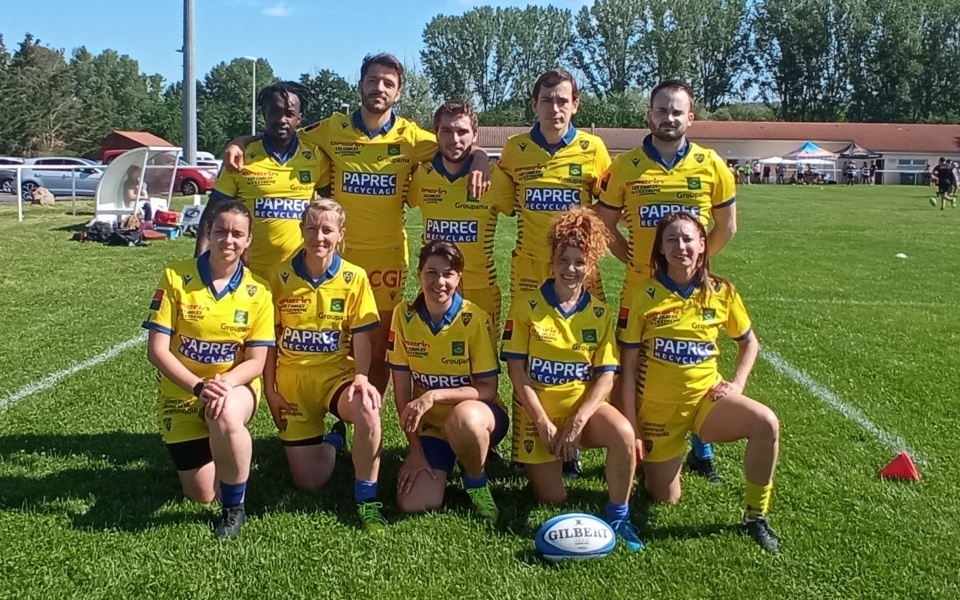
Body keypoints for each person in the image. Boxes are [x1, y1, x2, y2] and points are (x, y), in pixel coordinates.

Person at [223, 54, 490, 399]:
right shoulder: (332, 129)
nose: (379, 88)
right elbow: (282, 132)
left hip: (386, 260)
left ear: (398, 92)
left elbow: (460, 144)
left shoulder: (413, 138)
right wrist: (239, 142)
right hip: (338, 258)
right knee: (331, 342)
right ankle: (328, 415)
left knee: (377, 346)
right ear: (360, 85)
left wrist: (482, 157)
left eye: (388, 83)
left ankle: (368, 419)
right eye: (373, 80)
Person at [595, 79, 737, 484]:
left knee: (694, 355)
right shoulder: (625, 167)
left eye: (677, 111)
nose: (669, 118)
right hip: (639, 289)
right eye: (662, 110)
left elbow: (727, 226)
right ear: (649, 114)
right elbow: (605, 228)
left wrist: (695, 266)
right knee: (633, 365)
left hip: (694, 288)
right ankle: (634, 441)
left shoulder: (712, 165)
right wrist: (636, 263)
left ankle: (700, 444)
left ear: (690, 117)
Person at [617, 212, 782, 553]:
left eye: (689, 239)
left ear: (703, 244)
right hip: (659, 409)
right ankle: (664, 464)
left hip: (708, 399)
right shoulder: (643, 294)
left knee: (765, 421)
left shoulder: (721, 291)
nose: (681, 247)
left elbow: (749, 343)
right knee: (665, 498)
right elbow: (628, 365)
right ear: (660, 249)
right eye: (672, 240)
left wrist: (737, 383)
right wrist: (631, 426)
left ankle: (755, 515)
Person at [492, 68, 612, 478]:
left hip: (581, 275)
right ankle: (523, 447)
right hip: (528, 272)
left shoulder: (594, 149)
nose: (555, 107)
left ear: (575, 104)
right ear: (535, 104)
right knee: (524, 359)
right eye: (547, 100)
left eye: (563, 100)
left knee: (578, 360)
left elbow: (611, 206)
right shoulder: (514, 150)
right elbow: (501, 188)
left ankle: (573, 444)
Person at [501, 208, 643, 552]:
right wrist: (544, 423)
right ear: (552, 260)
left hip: (584, 414)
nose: (570, 269)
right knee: (553, 500)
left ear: (591, 266)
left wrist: (579, 421)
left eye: (579, 262)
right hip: (541, 420)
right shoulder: (526, 305)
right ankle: (554, 462)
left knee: (623, 433)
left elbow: (606, 376)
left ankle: (619, 515)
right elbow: (516, 372)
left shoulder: (599, 312)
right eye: (564, 260)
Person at [142, 200, 275, 540]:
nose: (227, 240)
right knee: (201, 495)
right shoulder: (176, 276)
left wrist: (222, 385)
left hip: (234, 387)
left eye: (237, 234)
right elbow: (156, 351)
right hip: (182, 394)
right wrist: (199, 387)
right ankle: (227, 456)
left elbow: (256, 362)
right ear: (209, 233)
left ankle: (235, 509)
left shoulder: (259, 291)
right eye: (221, 231)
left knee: (224, 415)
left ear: (248, 242)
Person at [263, 199, 387, 532]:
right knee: (311, 482)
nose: (319, 236)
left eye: (327, 229)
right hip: (293, 386)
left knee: (368, 408)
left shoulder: (354, 277)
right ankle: (334, 440)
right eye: (312, 228)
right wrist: (270, 391)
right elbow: (268, 342)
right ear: (301, 231)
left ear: (340, 235)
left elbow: (363, 337)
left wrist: (361, 377)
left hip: (337, 379)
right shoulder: (278, 277)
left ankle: (367, 498)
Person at [388, 240, 508, 522]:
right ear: (419, 274)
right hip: (432, 427)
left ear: (459, 277)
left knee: (464, 418)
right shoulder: (403, 316)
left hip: (479, 417)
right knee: (413, 503)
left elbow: (488, 390)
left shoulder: (473, 318)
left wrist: (434, 395)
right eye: (431, 272)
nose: (439, 281)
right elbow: (402, 393)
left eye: (448, 273)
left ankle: (476, 480)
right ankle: (449, 457)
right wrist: (415, 452)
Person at [198, 81, 330, 277]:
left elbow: (331, 208)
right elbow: (211, 216)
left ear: (299, 119)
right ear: (264, 113)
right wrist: (199, 265)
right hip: (249, 274)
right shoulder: (242, 157)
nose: (282, 119)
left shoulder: (316, 157)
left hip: (298, 275)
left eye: (289, 113)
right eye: (275, 111)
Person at [407, 100, 513, 343]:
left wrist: (481, 157)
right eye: (446, 131)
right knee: (433, 357)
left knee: (483, 365)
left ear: (475, 134)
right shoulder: (422, 177)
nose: (454, 139)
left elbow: (519, 211)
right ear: (436, 134)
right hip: (435, 284)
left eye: (462, 131)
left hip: (481, 288)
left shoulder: (495, 179)